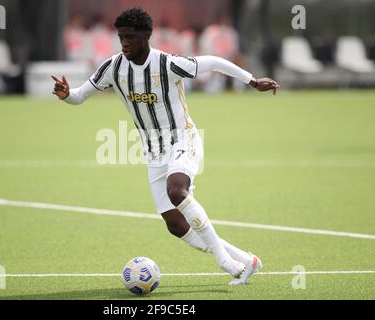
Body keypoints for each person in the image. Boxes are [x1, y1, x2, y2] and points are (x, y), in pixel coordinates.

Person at [52, 8, 279, 285]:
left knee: (177, 190)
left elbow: (213, 62)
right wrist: (66, 95)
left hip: (184, 139)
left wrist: (252, 80)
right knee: (175, 225)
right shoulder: (113, 67)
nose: (124, 43)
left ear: (147, 36)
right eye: (121, 37)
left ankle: (224, 260)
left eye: (130, 37)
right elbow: (79, 96)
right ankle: (247, 260)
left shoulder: (168, 64)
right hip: (153, 151)